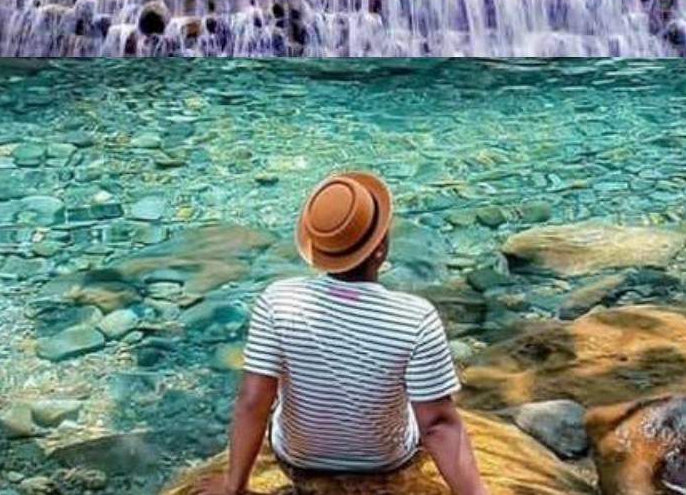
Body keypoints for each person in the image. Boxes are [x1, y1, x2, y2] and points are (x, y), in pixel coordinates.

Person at [195, 172, 489, 495]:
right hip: (384, 461)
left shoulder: (278, 301)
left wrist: (233, 486)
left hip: (297, 456)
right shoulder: (415, 318)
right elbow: (437, 425)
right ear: (379, 250)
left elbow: (253, 401)